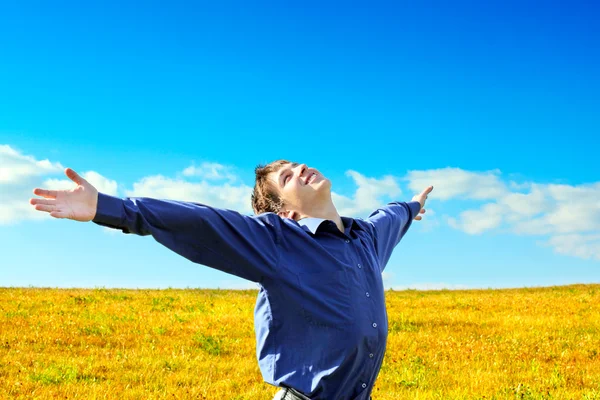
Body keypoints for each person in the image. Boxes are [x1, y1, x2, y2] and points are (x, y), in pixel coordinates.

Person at [30, 161, 433, 400]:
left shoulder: (367, 239)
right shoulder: (278, 239)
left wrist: (413, 206)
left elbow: (393, 215)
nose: (301, 169)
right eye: (289, 177)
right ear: (285, 213)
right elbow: (201, 223)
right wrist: (107, 207)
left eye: (298, 165)